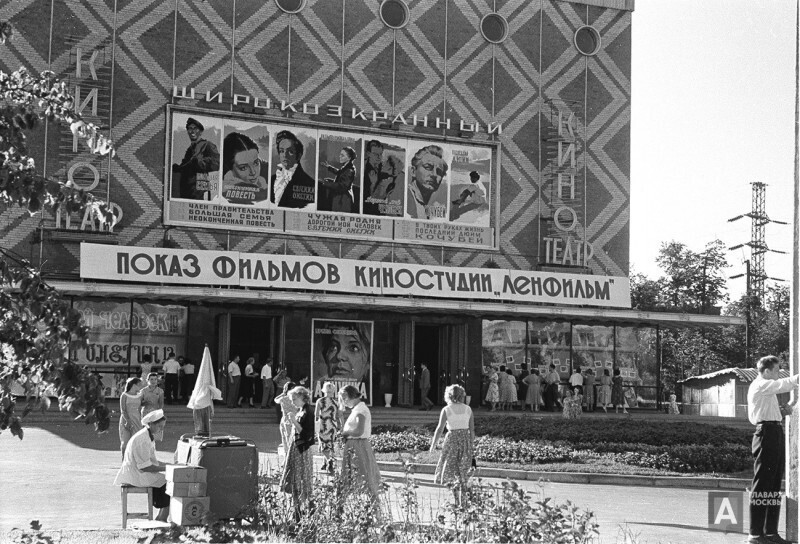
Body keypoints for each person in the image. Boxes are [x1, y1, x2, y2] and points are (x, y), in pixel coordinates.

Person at [747, 355, 799, 544]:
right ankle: (755, 534)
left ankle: (770, 532)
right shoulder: (761, 384)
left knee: (774, 483)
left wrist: (780, 411)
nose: (778, 374)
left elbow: (767, 410)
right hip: (766, 434)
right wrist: (796, 379)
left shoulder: (766, 389)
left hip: (773, 431)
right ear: (767, 371)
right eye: (777, 370)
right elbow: (783, 384)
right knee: (762, 484)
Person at [113, 409, 171, 522]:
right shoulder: (143, 439)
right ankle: (162, 518)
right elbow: (145, 467)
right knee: (170, 481)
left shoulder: (148, 436)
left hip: (138, 471)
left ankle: (161, 517)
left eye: (163, 427)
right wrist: (168, 468)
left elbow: (153, 461)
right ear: (151, 424)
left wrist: (171, 465)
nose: (161, 430)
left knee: (169, 479)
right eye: (159, 426)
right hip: (135, 474)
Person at [430, 384, 474, 507]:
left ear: (448, 396)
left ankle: (456, 500)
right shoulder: (468, 409)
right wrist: (471, 444)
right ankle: (464, 501)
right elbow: (472, 429)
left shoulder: (446, 409)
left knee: (452, 471)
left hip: (452, 440)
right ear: (462, 395)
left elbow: (439, 429)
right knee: (463, 471)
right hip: (465, 440)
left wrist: (433, 444)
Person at [338, 384, 382, 505]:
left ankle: (374, 508)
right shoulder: (357, 409)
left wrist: (345, 433)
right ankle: (339, 507)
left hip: (358, 446)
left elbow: (359, 431)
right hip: (355, 445)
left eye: (344, 399)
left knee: (364, 476)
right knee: (352, 477)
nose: (344, 402)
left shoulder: (360, 410)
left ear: (351, 396)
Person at [279, 386, 316, 514]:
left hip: (302, 450)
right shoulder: (301, 410)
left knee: (301, 479)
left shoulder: (308, 412)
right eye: (292, 399)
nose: (293, 402)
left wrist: (294, 421)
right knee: (295, 479)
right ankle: (298, 508)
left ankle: (304, 508)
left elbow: (306, 435)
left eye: (295, 399)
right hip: (296, 449)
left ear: (302, 397)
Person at [174, 117, 220, 200]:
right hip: (186, 189)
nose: (192, 131)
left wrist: (198, 162)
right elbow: (186, 165)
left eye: (195, 128)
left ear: (200, 132)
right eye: (190, 129)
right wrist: (178, 168)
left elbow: (217, 163)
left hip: (200, 189)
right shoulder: (189, 150)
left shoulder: (207, 145)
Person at [270, 130, 315, 209]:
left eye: (290, 151)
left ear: (299, 155)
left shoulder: (310, 184)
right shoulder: (271, 180)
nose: (285, 155)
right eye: (281, 151)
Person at [221, 132, 269, 205]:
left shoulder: (264, 181)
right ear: (229, 169)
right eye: (243, 168)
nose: (253, 172)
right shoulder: (224, 192)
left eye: (256, 163)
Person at [406, 144, 449, 221]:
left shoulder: (434, 206)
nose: (434, 175)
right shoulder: (403, 197)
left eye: (439, 172)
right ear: (413, 171)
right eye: (428, 167)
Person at [187, 346, 222, 437]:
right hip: (203, 406)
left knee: (203, 428)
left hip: (204, 406)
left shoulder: (204, 388)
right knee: (202, 428)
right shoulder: (204, 388)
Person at [319, 146, 356, 213]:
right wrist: (328, 167)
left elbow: (342, 186)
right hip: (340, 198)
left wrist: (327, 183)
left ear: (349, 158)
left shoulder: (349, 170)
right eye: (340, 154)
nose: (339, 156)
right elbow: (339, 172)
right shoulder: (346, 167)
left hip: (343, 200)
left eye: (342, 155)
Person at [315, 381, 340, 473]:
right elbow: (339, 415)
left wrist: (315, 425)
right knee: (330, 444)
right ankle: (325, 463)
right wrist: (340, 425)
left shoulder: (320, 401)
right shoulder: (336, 402)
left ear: (323, 390)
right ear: (333, 391)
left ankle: (329, 460)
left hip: (323, 424)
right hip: (332, 425)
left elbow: (316, 415)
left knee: (323, 444)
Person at [118, 377, 143, 458]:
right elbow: (123, 410)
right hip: (126, 420)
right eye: (139, 384)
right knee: (125, 442)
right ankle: (124, 460)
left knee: (136, 442)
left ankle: (134, 462)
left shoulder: (139, 396)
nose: (140, 386)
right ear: (133, 385)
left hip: (137, 420)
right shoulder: (124, 395)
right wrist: (127, 421)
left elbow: (139, 409)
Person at [275, 381, 298, 458]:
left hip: (285, 420)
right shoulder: (296, 399)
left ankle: (287, 457)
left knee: (285, 439)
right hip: (294, 420)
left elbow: (276, 399)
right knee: (292, 440)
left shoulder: (283, 399)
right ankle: (291, 457)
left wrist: (283, 393)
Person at [362, 140, 384, 215]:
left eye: (380, 154)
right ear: (368, 154)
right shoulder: (362, 167)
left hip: (380, 209)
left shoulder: (385, 168)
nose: (379, 157)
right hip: (365, 209)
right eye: (375, 154)